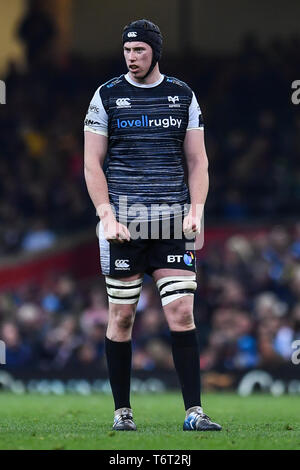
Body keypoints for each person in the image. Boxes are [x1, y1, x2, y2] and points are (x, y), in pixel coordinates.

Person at [84, 19, 221, 432]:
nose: (132, 57)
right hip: (124, 223)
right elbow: (92, 162)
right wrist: (105, 213)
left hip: (171, 221)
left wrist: (196, 209)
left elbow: (198, 161)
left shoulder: (182, 96)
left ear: (155, 52)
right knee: (122, 318)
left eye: (140, 50)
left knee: (181, 312)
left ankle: (194, 413)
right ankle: (122, 413)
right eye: (127, 51)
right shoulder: (107, 95)